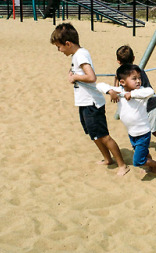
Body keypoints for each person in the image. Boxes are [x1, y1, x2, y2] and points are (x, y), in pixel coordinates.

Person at [50, 23, 129, 176]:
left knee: (103, 136)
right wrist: (72, 75)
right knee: (93, 134)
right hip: (84, 102)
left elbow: (91, 77)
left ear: (68, 44)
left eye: (59, 47)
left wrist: (75, 77)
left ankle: (122, 165)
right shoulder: (77, 55)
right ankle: (108, 159)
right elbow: (76, 72)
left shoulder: (81, 55)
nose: (58, 50)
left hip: (92, 103)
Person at [113, 45, 156, 157]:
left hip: (150, 105)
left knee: (154, 130)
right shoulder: (122, 73)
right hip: (141, 107)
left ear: (118, 61)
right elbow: (117, 84)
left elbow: (142, 91)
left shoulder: (137, 73)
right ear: (134, 58)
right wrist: (116, 84)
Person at [97, 64, 156, 176]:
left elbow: (150, 91)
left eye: (139, 78)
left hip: (143, 133)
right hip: (132, 133)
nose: (138, 81)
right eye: (134, 78)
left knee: (138, 161)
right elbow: (99, 85)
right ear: (122, 82)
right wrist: (110, 91)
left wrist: (132, 94)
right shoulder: (119, 90)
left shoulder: (141, 92)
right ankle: (151, 168)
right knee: (144, 153)